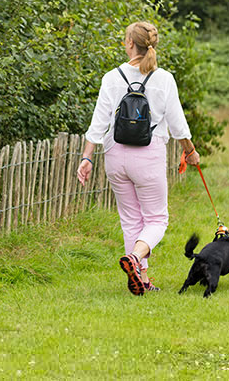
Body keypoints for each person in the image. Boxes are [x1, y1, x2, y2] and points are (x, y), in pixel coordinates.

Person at [77, 21, 200, 295]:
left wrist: (86, 158)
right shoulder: (164, 79)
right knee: (157, 219)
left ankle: (142, 280)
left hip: (114, 155)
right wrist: (189, 150)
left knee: (130, 219)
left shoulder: (111, 78)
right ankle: (135, 258)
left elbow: (98, 123)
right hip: (148, 155)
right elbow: (177, 123)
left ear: (130, 44)